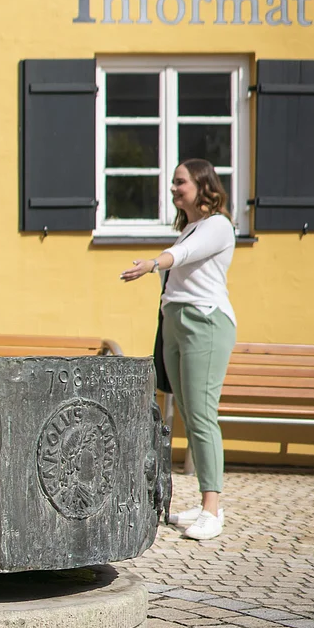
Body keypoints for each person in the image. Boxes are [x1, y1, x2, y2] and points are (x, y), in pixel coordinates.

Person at [121, 158, 237, 541]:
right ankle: (203, 504)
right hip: (175, 324)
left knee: (202, 414)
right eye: (172, 182)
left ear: (203, 185)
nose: (173, 188)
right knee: (188, 412)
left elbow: (183, 258)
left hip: (204, 322)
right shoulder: (188, 228)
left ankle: (213, 509)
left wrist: (153, 263)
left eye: (180, 182)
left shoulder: (218, 225)